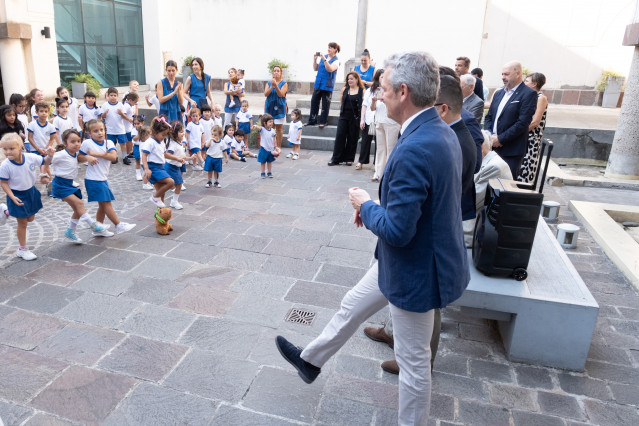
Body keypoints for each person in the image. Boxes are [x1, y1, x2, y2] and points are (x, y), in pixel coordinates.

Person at [275, 51, 470, 425]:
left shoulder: (414, 146)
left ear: (402, 91)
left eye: (381, 89)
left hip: (415, 272)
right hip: (411, 261)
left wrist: (366, 206)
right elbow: (425, 204)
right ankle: (311, 360)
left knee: (413, 365)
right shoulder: (440, 130)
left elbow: (399, 230)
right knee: (351, 303)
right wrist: (385, 205)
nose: (377, 96)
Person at [46, 129, 110, 243]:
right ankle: (93, 225)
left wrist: (87, 157)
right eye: (73, 142)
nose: (76, 144)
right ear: (65, 143)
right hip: (59, 185)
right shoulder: (60, 154)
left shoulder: (75, 154)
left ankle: (70, 231)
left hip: (70, 184)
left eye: (78, 141)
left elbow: (79, 158)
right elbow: (46, 162)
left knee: (78, 210)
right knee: (79, 204)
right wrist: (46, 166)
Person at [78, 119, 136, 235]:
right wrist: (87, 157)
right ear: (89, 134)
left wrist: (96, 154)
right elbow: (79, 158)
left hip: (102, 178)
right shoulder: (87, 143)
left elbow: (113, 157)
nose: (100, 133)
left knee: (102, 205)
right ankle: (118, 225)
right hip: (93, 179)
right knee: (106, 203)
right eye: (95, 131)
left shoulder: (108, 143)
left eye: (101, 130)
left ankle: (98, 229)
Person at [483, 60, 538, 179]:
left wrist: (501, 139)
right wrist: (488, 136)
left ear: (518, 74)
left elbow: (523, 123)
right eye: (502, 74)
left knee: (504, 187)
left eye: (506, 74)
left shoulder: (528, 94)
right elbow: (489, 116)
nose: (503, 77)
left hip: (511, 151)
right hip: (492, 147)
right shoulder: (499, 93)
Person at [0, 133, 51, 260]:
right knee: (22, 223)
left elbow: (45, 161)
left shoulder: (30, 157)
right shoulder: (5, 166)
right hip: (16, 195)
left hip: (31, 192)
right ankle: (22, 249)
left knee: (30, 219)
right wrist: (12, 197)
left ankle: (6, 211)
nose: (8, 152)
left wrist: (50, 154)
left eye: (11, 148)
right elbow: (3, 183)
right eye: (5, 149)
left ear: (21, 147)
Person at [462, 130, 514, 245]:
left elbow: (471, 202)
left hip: (472, 229)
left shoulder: (493, 167)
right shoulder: (486, 161)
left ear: (479, 147)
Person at [327, 71, 364, 166]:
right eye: (348, 79)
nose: (349, 80)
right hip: (344, 116)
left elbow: (364, 105)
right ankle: (336, 158)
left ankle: (349, 158)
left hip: (355, 117)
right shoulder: (344, 89)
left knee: (353, 138)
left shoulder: (361, 90)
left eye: (352, 79)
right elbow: (342, 102)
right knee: (340, 136)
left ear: (356, 79)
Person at [369, 70, 400, 182]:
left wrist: (385, 100)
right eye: (381, 77)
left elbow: (396, 106)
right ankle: (378, 173)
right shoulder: (377, 90)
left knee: (391, 149)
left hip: (391, 123)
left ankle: (389, 174)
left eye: (384, 77)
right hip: (379, 121)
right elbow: (373, 108)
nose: (382, 79)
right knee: (380, 149)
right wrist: (373, 101)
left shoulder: (393, 90)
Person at [518, 72, 548, 183]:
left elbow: (535, 122)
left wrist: (517, 133)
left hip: (531, 139)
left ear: (534, 84)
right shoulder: (528, 95)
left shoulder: (541, 98)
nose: (524, 83)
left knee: (525, 170)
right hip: (523, 136)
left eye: (526, 81)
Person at [142, 116, 174, 208]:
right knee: (170, 182)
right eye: (163, 135)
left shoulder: (162, 142)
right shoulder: (150, 142)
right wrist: (146, 169)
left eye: (166, 135)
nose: (164, 137)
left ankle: (160, 218)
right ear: (155, 132)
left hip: (160, 167)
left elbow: (165, 154)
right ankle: (154, 197)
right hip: (153, 168)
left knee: (162, 193)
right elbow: (144, 155)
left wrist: (177, 158)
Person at [306, 42, 341, 128]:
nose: (328, 49)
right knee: (314, 102)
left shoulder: (336, 60)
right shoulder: (323, 57)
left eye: (331, 48)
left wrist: (324, 59)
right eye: (328, 47)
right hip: (318, 83)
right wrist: (314, 59)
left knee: (325, 104)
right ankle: (312, 120)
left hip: (327, 85)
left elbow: (330, 69)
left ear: (335, 49)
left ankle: (323, 121)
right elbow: (315, 68)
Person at [356, 69, 382, 169]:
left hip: (380, 119)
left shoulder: (386, 90)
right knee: (365, 141)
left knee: (379, 143)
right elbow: (364, 105)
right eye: (381, 77)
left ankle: (376, 164)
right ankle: (361, 161)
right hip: (369, 119)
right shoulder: (369, 91)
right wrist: (362, 119)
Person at [165, 121, 192, 210]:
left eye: (183, 131)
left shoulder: (179, 143)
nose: (183, 133)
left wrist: (190, 158)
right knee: (178, 184)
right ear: (174, 133)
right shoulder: (173, 144)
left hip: (176, 167)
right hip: (171, 167)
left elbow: (182, 156)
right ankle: (174, 201)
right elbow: (167, 154)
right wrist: (177, 158)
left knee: (178, 184)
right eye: (181, 132)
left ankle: (173, 201)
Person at [100, 87, 130, 165]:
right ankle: (114, 157)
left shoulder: (120, 105)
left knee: (123, 144)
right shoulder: (105, 105)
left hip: (120, 129)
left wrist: (121, 113)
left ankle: (124, 157)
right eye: (111, 95)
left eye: (115, 95)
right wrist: (104, 114)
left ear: (117, 96)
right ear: (108, 96)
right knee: (111, 144)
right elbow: (101, 117)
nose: (113, 97)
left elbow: (125, 117)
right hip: (110, 129)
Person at [264, 65, 288, 148]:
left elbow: (281, 94)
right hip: (270, 106)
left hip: (279, 107)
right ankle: (270, 145)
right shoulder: (268, 83)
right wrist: (271, 86)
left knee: (279, 128)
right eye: (275, 71)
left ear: (281, 73)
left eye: (278, 71)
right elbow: (266, 94)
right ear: (272, 73)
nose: (276, 72)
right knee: (270, 126)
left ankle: (278, 146)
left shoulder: (284, 83)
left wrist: (276, 86)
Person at [253, 113, 279, 178]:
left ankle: (269, 172)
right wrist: (255, 126)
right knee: (263, 162)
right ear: (265, 123)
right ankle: (262, 172)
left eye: (272, 121)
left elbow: (274, 139)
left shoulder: (273, 131)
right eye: (270, 122)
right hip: (263, 149)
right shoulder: (263, 130)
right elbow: (259, 128)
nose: (271, 123)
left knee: (270, 161)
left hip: (271, 149)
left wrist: (275, 147)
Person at [204, 124, 229, 188]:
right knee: (209, 170)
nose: (213, 136)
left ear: (219, 135)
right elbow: (206, 145)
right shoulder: (210, 141)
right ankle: (209, 181)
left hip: (218, 158)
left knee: (216, 171)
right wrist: (210, 139)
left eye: (215, 135)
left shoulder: (222, 142)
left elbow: (224, 150)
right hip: (210, 157)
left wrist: (226, 157)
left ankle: (216, 181)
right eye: (212, 134)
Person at [122, 93, 139, 161]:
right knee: (129, 141)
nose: (135, 103)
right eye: (135, 102)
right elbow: (123, 115)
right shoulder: (126, 106)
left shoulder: (130, 105)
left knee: (130, 140)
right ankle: (128, 153)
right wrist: (131, 120)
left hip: (129, 126)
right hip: (126, 127)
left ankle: (130, 152)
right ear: (130, 100)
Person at [131, 115, 146, 181]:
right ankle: (138, 173)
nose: (136, 125)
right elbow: (134, 138)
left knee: (144, 160)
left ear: (142, 123)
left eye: (138, 123)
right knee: (138, 160)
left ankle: (144, 172)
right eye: (135, 124)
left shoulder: (145, 130)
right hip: (137, 147)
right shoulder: (134, 130)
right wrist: (140, 132)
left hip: (143, 147)